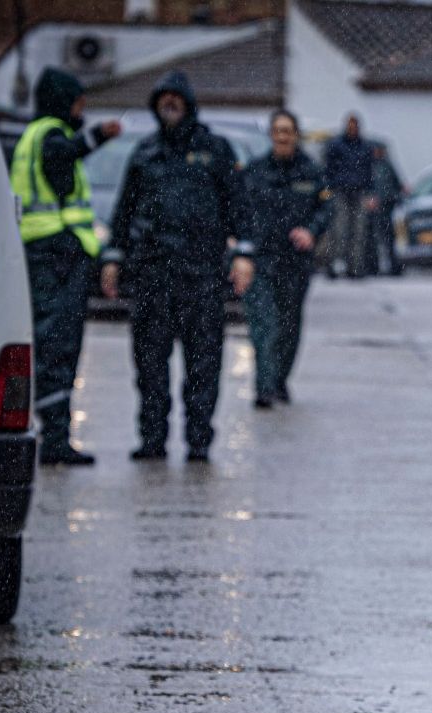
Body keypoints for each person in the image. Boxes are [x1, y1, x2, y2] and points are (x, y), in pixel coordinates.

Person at [99, 71, 254, 463]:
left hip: (200, 273)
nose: (169, 104)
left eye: (175, 97)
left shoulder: (215, 149)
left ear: (188, 102)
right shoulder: (145, 152)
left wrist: (243, 255)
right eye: (162, 98)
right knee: (150, 363)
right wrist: (114, 258)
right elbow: (124, 210)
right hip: (152, 272)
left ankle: (198, 438)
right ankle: (152, 437)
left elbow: (238, 206)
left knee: (203, 361)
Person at [9, 67, 120, 466]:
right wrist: (96, 137)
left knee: (50, 343)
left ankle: (52, 434)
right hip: (56, 255)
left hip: (44, 253)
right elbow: (63, 156)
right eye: (78, 102)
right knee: (58, 345)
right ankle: (55, 440)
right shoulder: (52, 135)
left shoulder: (31, 134)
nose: (82, 109)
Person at [242, 109, 333, 409]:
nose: (282, 137)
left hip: (295, 262)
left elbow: (326, 209)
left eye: (288, 131)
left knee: (289, 326)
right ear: (271, 135)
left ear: (295, 135)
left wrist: (311, 231)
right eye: (278, 131)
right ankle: (264, 385)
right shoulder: (254, 171)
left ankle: (279, 379)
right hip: (261, 259)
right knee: (264, 324)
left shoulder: (311, 172)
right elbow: (237, 208)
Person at [323, 114, 374, 278]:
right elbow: (328, 168)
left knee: (359, 232)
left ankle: (355, 267)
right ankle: (333, 265)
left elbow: (369, 171)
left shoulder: (364, 147)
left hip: (359, 191)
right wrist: (330, 186)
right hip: (340, 191)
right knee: (339, 230)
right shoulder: (336, 145)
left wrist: (371, 193)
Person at [364, 142, 403, 276]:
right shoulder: (367, 166)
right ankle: (372, 267)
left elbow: (397, 185)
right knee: (372, 239)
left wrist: (392, 198)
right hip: (372, 210)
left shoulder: (387, 166)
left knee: (388, 239)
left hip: (386, 207)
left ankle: (393, 267)